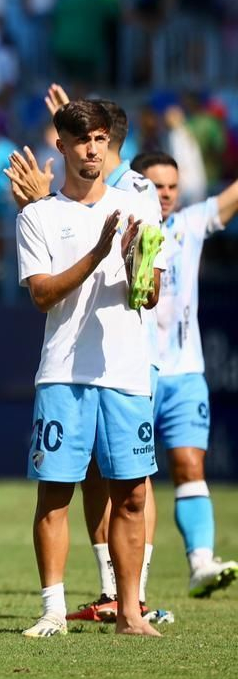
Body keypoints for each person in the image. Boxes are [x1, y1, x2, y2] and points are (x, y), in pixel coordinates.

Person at [14, 98, 165, 638]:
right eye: (82, 141)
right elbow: (42, 295)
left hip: (125, 373)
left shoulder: (137, 207)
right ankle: (53, 610)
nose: (92, 149)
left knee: (133, 494)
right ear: (63, 146)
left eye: (100, 139)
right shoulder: (38, 216)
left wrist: (134, 266)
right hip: (64, 373)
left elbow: (149, 296)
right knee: (56, 491)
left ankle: (129, 613)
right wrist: (99, 253)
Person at [129, 150, 238, 598]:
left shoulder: (190, 225)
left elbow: (230, 199)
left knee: (191, 465)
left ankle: (200, 564)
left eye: (173, 186)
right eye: (157, 186)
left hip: (186, 372)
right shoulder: (124, 228)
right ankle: (131, 587)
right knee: (135, 482)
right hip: (134, 372)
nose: (167, 194)